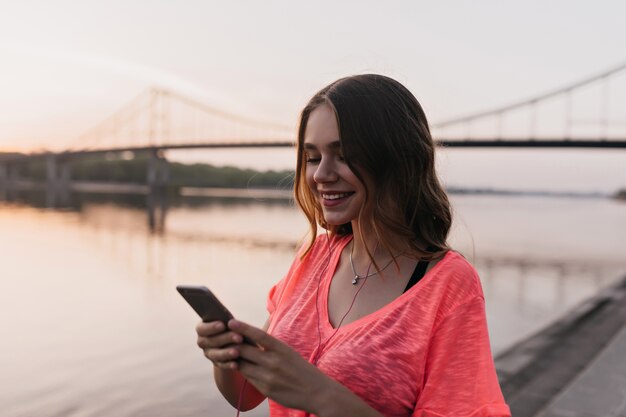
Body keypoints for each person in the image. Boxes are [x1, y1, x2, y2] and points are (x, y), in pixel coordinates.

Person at [195, 74, 511, 417]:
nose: (320, 174)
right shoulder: (314, 257)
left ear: (397, 158)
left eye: (343, 155)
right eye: (313, 157)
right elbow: (245, 397)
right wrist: (227, 356)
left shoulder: (448, 284)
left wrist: (320, 395)